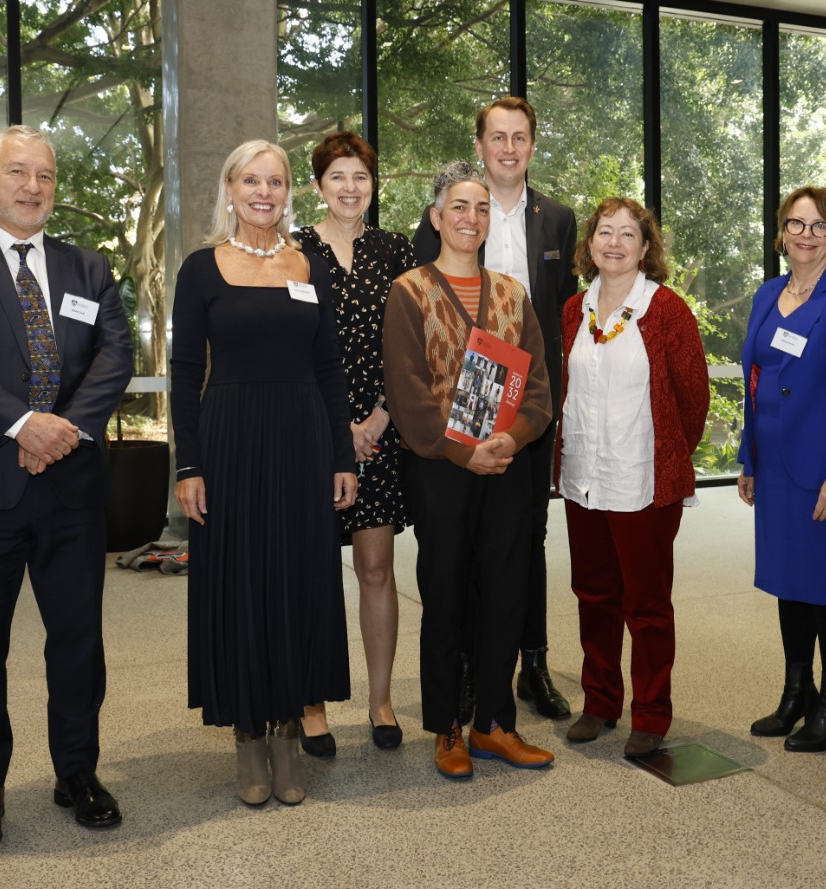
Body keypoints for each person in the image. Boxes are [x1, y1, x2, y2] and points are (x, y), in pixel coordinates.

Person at [0, 125, 134, 853]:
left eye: (44, 173)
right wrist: (22, 425)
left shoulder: (87, 266)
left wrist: (63, 428)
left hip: (69, 489)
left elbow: (115, 351)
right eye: (17, 172)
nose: (32, 185)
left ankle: (77, 772)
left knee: (77, 642)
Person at [171, 140, 356, 805]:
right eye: (251, 179)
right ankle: (248, 733)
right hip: (229, 440)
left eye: (275, 181)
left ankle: (287, 728)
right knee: (240, 579)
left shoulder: (310, 265)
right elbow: (186, 370)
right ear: (230, 187)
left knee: (296, 579)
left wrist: (341, 454)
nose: (264, 191)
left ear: (288, 193)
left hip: (302, 440)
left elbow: (331, 366)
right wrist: (187, 462)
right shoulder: (201, 268)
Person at [384, 161, 554, 779]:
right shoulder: (410, 292)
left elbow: (538, 389)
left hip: (508, 463)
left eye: (481, 209)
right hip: (440, 469)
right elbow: (407, 396)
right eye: (459, 207)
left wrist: (509, 439)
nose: (470, 218)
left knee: (507, 594)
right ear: (436, 217)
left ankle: (495, 724)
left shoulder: (512, 294)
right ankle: (447, 727)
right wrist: (463, 451)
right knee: (447, 595)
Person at [414, 97, 579, 721]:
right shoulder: (455, 214)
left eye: (520, 138)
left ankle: (530, 661)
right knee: (459, 545)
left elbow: (563, 320)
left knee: (524, 539)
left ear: (532, 146)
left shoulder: (558, 220)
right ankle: (465, 670)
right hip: (457, 413)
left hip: (527, 414)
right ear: (480, 145)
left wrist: (546, 411)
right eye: (497, 138)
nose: (509, 149)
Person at [555, 198, 709, 758]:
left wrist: (669, 456)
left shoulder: (666, 310)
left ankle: (651, 712)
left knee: (646, 604)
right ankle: (599, 701)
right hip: (583, 479)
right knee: (593, 595)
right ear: (590, 244)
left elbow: (693, 399)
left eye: (628, 235)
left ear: (647, 249)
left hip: (641, 481)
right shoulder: (575, 309)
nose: (614, 243)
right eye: (604, 232)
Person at [737, 186, 826, 753]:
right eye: (796, 224)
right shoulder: (768, 293)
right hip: (773, 465)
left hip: (822, 466)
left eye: (819, 226)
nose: (805, 234)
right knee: (789, 583)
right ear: (782, 232)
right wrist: (748, 456)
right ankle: (796, 691)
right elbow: (755, 384)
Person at [295, 131, 417, 755]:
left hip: (382, 430)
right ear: (318, 185)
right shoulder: (292, 252)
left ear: (374, 186)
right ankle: (312, 705)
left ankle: (380, 700)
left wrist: (378, 419)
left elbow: (411, 342)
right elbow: (286, 350)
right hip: (312, 436)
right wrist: (334, 427)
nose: (350, 188)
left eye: (361, 177)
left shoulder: (395, 250)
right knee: (314, 573)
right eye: (338, 176)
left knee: (376, 568)